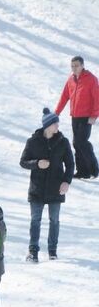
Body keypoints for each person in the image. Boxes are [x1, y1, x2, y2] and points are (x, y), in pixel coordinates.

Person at [20, 108, 75, 262]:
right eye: (55, 123)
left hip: (56, 188)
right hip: (37, 188)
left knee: (55, 220)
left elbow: (70, 164)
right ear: (47, 125)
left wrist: (66, 182)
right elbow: (23, 162)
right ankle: (33, 251)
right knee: (35, 220)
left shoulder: (63, 142)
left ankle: (52, 251)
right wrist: (37, 164)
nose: (58, 125)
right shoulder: (33, 141)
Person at [55, 55, 99, 179]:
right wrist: (56, 112)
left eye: (77, 65)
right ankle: (82, 171)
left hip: (87, 117)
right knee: (76, 143)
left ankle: (94, 169)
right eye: (72, 66)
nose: (74, 68)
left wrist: (94, 115)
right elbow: (64, 97)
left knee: (81, 142)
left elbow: (97, 98)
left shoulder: (91, 79)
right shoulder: (71, 80)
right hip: (75, 116)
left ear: (82, 66)